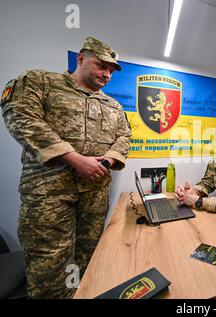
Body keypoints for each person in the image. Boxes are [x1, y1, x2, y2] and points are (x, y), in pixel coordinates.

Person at [1, 37, 131, 298]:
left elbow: (124, 136)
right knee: (49, 268)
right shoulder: (41, 82)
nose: (106, 74)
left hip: (93, 195)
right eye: (100, 66)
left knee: (88, 259)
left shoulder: (114, 105)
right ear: (80, 60)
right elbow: (20, 114)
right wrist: (75, 159)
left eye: (111, 70)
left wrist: (106, 161)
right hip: (49, 195)